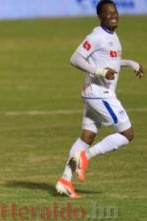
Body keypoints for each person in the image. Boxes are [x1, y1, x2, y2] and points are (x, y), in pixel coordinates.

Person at [55, 0, 144, 198]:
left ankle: (65, 180)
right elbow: (75, 58)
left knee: (87, 136)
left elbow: (110, 62)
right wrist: (100, 71)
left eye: (115, 11)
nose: (113, 15)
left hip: (93, 93)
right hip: (99, 94)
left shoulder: (112, 36)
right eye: (107, 13)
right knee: (127, 134)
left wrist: (131, 63)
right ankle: (86, 157)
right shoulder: (96, 36)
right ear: (100, 16)